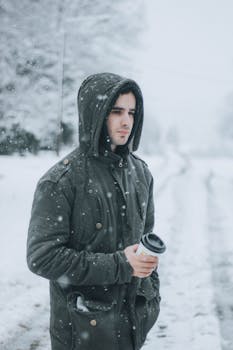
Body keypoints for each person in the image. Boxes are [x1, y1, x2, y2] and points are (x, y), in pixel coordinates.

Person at [27, 72, 161, 350]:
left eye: (132, 112)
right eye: (116, 111)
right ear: (95, 112)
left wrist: (150, 289)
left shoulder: (140, 173)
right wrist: (119, 265)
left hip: (132, 327)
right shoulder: (61, 181)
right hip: (83, 331)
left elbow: (145, 236)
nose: (127, 121)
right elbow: (42, 258)